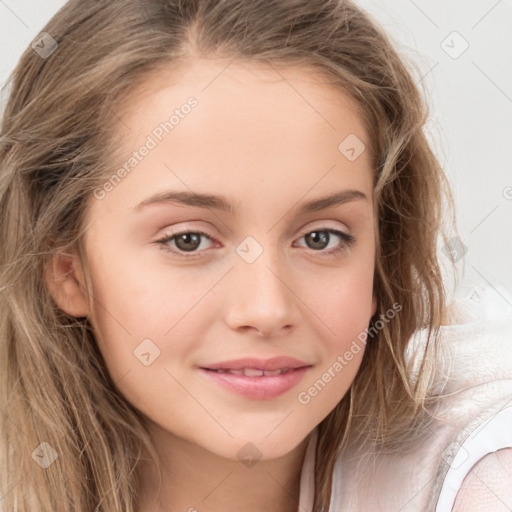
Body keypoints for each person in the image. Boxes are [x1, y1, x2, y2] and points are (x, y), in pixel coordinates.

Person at [0, 0, 510, 511]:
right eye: (189, 240)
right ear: (66, 268)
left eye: (320, 238)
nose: (267, 310)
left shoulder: (485, 471)